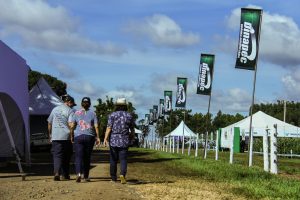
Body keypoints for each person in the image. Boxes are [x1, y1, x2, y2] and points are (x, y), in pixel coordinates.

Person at [104, 98, 135, 184]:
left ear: (116, 106)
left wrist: (105, 138)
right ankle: (122, 175)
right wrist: (132, 137)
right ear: (125, 106)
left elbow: (109, 127)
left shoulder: (112, 115)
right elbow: (132, 129)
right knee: (123, 159)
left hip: (114, 140)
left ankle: (113, 178)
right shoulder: (129, 116)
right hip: (124, 140)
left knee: (113, 159)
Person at [70, 97, 100, 182]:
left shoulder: (76, 113)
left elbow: (72, 126)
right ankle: (86, 176)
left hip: (78, 136)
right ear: (89, 104)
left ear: (81, 104)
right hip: (89, 137)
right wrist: (98, 137)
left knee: (78, 156)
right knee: (87, 157)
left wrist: (71, 135)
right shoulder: (93, 113)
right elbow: (96, 126)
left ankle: (78, 174)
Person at [47, 95, 75, 181]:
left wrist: (50, 135)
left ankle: (56, 173)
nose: (73, 106)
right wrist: (72, 135)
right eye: (72, 104)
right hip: (66, 137)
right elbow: (71, 124)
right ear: (69, 102)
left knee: (57, 155)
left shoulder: (54, 109)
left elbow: (49, 123)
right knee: (66, 156)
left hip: (55, 136)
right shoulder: (70, 111)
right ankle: (65, 175)